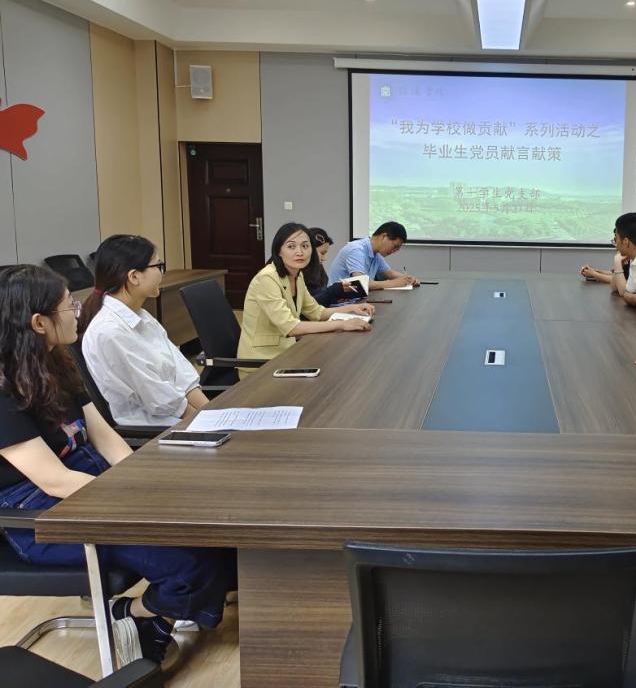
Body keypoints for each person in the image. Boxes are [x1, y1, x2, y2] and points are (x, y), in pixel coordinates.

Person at [0, 265, 235, 667]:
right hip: (42, 516)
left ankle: (151, 611)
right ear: (38, 323)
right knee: (190, 563)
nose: (77, 312)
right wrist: (139, 502)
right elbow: (54, 481)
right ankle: (141, 616)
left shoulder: (55, 363)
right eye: (68, 306)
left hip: (91, 485)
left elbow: (104, 436)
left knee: (217, 533)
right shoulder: (5, 394)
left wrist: (144, 483)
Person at [77, 234, 208, 427]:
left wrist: (210, 411)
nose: (162, 274)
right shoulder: (109, 331)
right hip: (154, 429)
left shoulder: (140, 315)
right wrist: (204, 421)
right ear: (134, 277)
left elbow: (181, 374)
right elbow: (159, 399)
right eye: (158, 266)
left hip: (176, 416)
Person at [237, 223, 375, 370]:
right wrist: (343, 324)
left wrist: (351, 308)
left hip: (287, 353)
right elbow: (291, 327)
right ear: (279, 251)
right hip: (261, 363)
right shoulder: (267, 278)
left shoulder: (297, 275)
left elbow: (316, 312)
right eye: (291, 247)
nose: (300, 252)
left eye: (305, 246)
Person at [328, 221, 419, 291]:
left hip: (357, 300)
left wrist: (409, 279)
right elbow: (361, 283)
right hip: (340, 303)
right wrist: (394, 283)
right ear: (384, 237)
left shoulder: (376, 254)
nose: (394, 251)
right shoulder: (356, 250)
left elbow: (390, 273)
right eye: (395, 246)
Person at [303, 227, 361, 307]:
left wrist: (339, 296)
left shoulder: (318, 268)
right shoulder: (299, 274)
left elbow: (323, 295)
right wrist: (335, 290)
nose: (324, 258)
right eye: (322, 253)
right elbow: (310, 305)